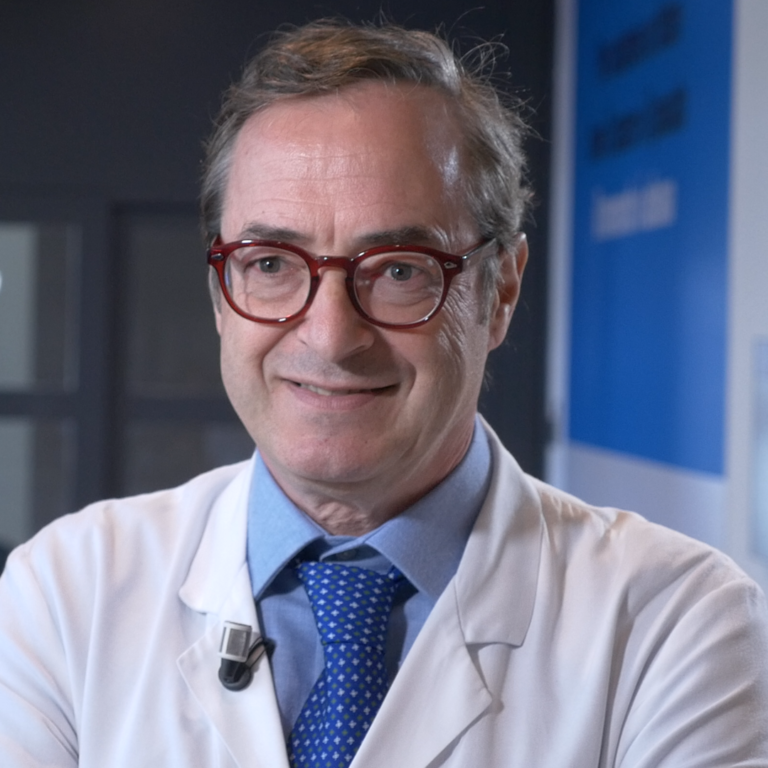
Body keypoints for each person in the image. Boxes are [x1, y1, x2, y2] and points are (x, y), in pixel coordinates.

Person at [0, 19, 766, 768]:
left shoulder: (677, 624)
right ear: (219, 293)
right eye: (271, 264)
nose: (331, 338)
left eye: (400, 269)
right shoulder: (68, 592)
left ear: (501, 290)